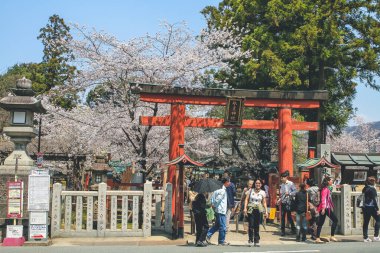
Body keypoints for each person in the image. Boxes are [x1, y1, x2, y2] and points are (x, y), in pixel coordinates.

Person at [244, 179, 268, 247]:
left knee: (257, 225)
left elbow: (264, 202)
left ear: (261, 184)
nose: (258, 184)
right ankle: (250, 240)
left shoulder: (263, 192)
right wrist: (245, 208)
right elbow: (246, 199)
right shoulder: (250, 190)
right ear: (254, 184)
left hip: (258, 210)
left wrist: (266, 211)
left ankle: (256, 240)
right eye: (256, 183)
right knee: (251, 225)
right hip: (251, 209)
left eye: (259, 183)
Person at [206, 178, 230, 246]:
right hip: (221, 210)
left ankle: (208, 235)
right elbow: (217, 200)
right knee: (223, 226)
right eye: (228, 182)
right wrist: (214, 205)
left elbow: (213, 198)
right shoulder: (222, 190)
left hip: (218, 210)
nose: (229, 183)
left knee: (217, 225)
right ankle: (221, 241)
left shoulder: (217, 189)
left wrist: (214, 206)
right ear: (225, 182)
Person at [315, 176, 338, 243]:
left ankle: (317, 238)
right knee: (335, 220)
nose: (332, 181)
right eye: (331, 180)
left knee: (320, 223)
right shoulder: (325, 189)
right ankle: (332, 236)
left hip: (324, 208)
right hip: (325, 208)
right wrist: (323, 209)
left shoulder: (325, 188)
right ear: (328, 181)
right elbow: (323, 199)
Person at [277, 170, 297, 236]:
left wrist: (289, 193)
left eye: (282, 177)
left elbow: (295, 191)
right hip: (283, 202)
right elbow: (281, 194)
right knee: (282, 217)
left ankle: (293, 229)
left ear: (286, 177)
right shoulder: (281, 185)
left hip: (289, 202)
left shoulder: (291, 183)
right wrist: (279, 200)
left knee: (289, 217)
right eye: (281, 177)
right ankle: (283, 231)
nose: (281, 179)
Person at [362, 176, 380, 242]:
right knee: (378, 219)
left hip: (365, 207)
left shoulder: (365, 188)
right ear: (373, 182)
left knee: (366, 222)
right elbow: (374, 200)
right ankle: (376, 236)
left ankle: (365, 237)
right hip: (371, 207)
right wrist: (377, 209)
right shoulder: (372, 189)